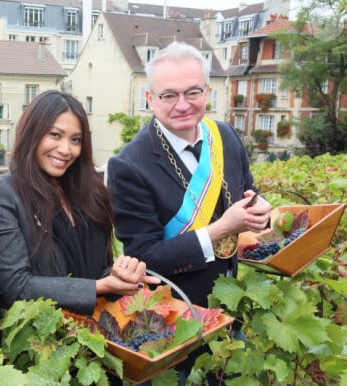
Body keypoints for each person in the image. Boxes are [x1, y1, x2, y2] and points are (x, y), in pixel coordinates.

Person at [107, 42, 271, 383]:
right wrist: (220, 230)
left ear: (207, 91)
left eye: (192, 92)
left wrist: (261, 210)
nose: (182, 105)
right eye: (168, 95)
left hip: (229, 311)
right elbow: (144, 258)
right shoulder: (128, 165)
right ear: (150, 99)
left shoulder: (223, 134)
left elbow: (250, 194)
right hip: (173, 326)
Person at [0, 90, 160, 317]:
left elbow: (98, 270)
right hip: (41, 341)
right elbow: (17, 286)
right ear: (31, 133)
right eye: (55, 135)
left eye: (76, 140)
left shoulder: (90, 193)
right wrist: (99, 287)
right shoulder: (1, 192)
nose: (66, 150)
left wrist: (120, 275)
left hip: (94, 335)